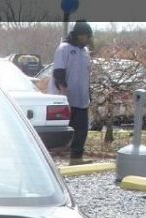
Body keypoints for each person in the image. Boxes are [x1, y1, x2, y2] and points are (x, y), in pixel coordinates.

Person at [49, 20, 93, 164]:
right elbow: (59, 71)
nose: (88, 40)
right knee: (62, 131)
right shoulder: (64, 48)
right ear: (80, 35)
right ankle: (51, 159)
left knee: (81, 131)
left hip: (81, 99)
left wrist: (88, 93)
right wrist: (62, 88)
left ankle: (76, 158)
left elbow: (86, 74)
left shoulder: (85, 51)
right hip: (65, 98)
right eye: (87, 36)